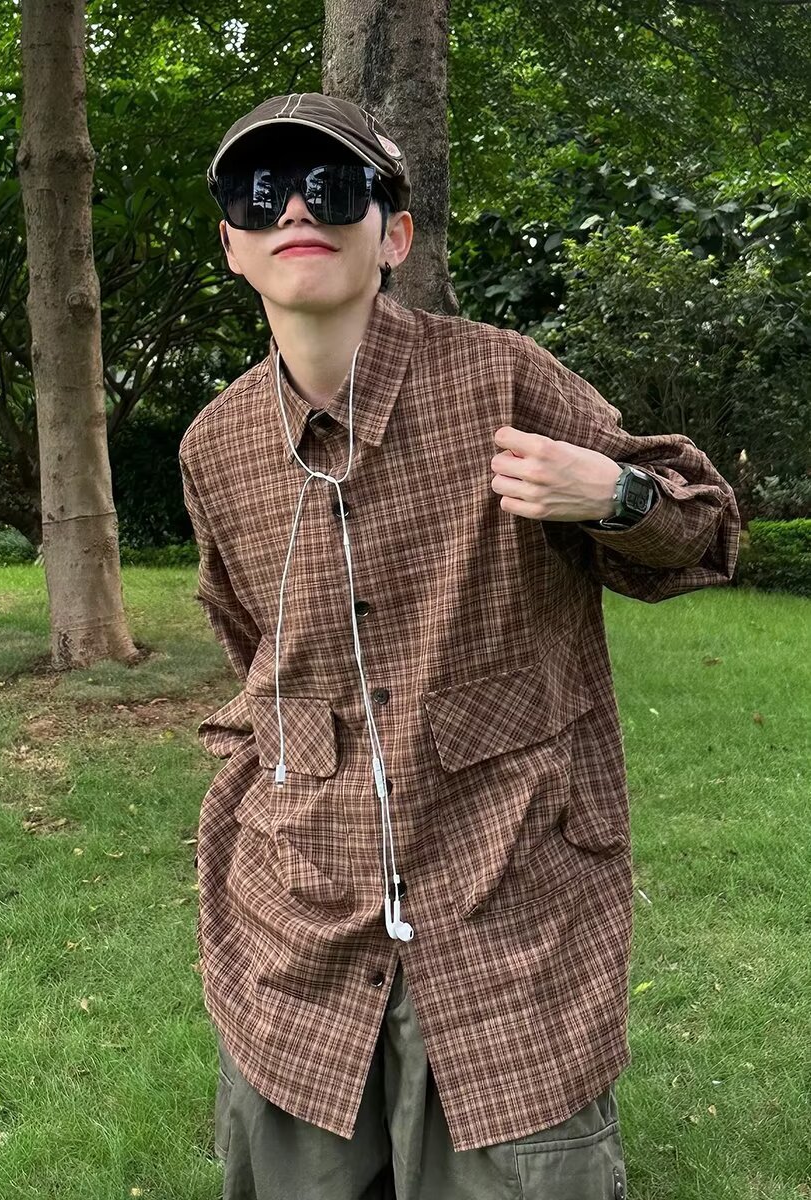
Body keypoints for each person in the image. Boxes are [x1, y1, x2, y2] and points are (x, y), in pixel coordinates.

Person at [178, 92, 741, 1200]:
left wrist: (614, 494)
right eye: (260, 192)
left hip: (512, 921)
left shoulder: (502, 380)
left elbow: (708, 534)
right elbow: (252, 650)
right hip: (300, 925)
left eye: (333, 187)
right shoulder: (215, 447)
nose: (295, 209)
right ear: (233, 246)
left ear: (393, 235)